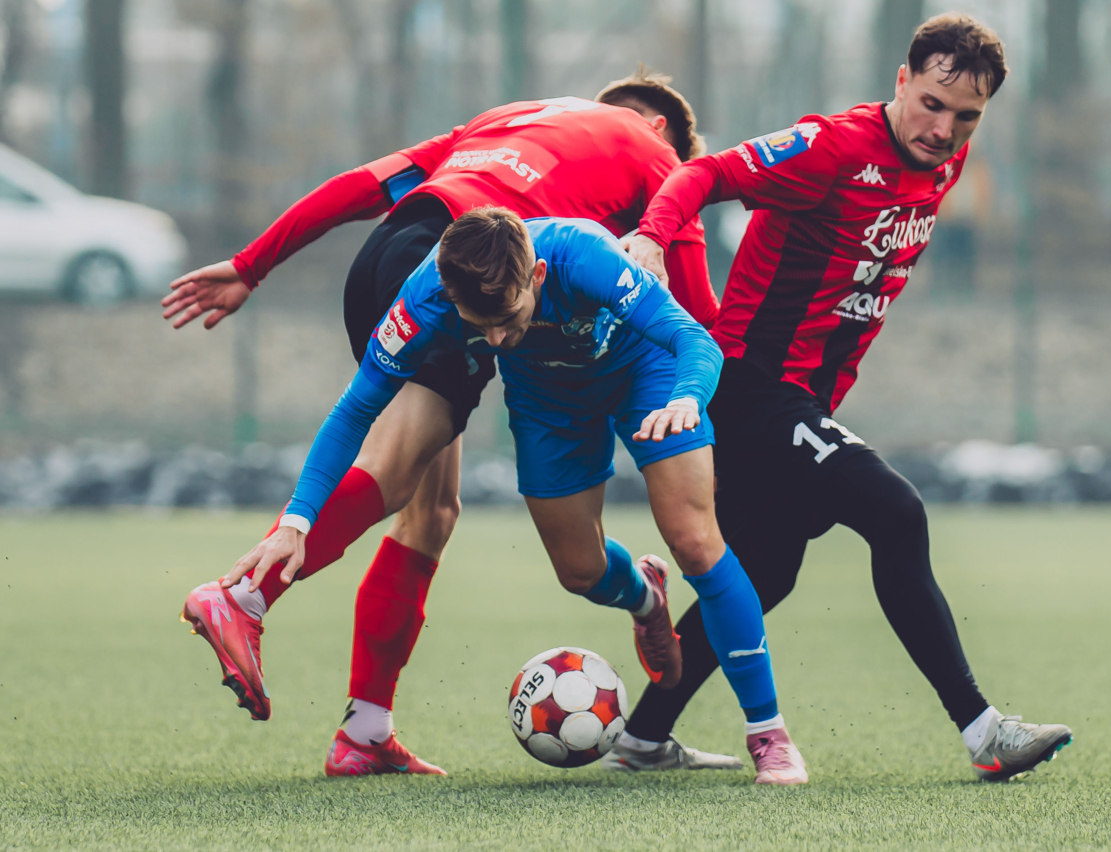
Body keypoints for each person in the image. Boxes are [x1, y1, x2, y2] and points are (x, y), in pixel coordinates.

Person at [171, 73, 742, 772]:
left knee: (432, 511)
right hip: (458, 278)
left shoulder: (509, 121)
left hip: (390, 251)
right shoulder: (661, 163)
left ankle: (365, 731)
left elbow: (358, 187)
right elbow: (698, 315)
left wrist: (252, 264)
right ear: (662, 133)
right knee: (391, 469)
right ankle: (246, 596)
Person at [615, 14, 1074, 782]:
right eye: (931, 103)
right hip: (753, 388)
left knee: (764, 571)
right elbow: (704, 175)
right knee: (896, 511)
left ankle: (642, 736)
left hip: (804, 399)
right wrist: (653, 237)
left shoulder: (943, 162)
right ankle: (983, 729)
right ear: (902, 80)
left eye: (966, 117)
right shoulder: (830, 147)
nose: (943, 129)